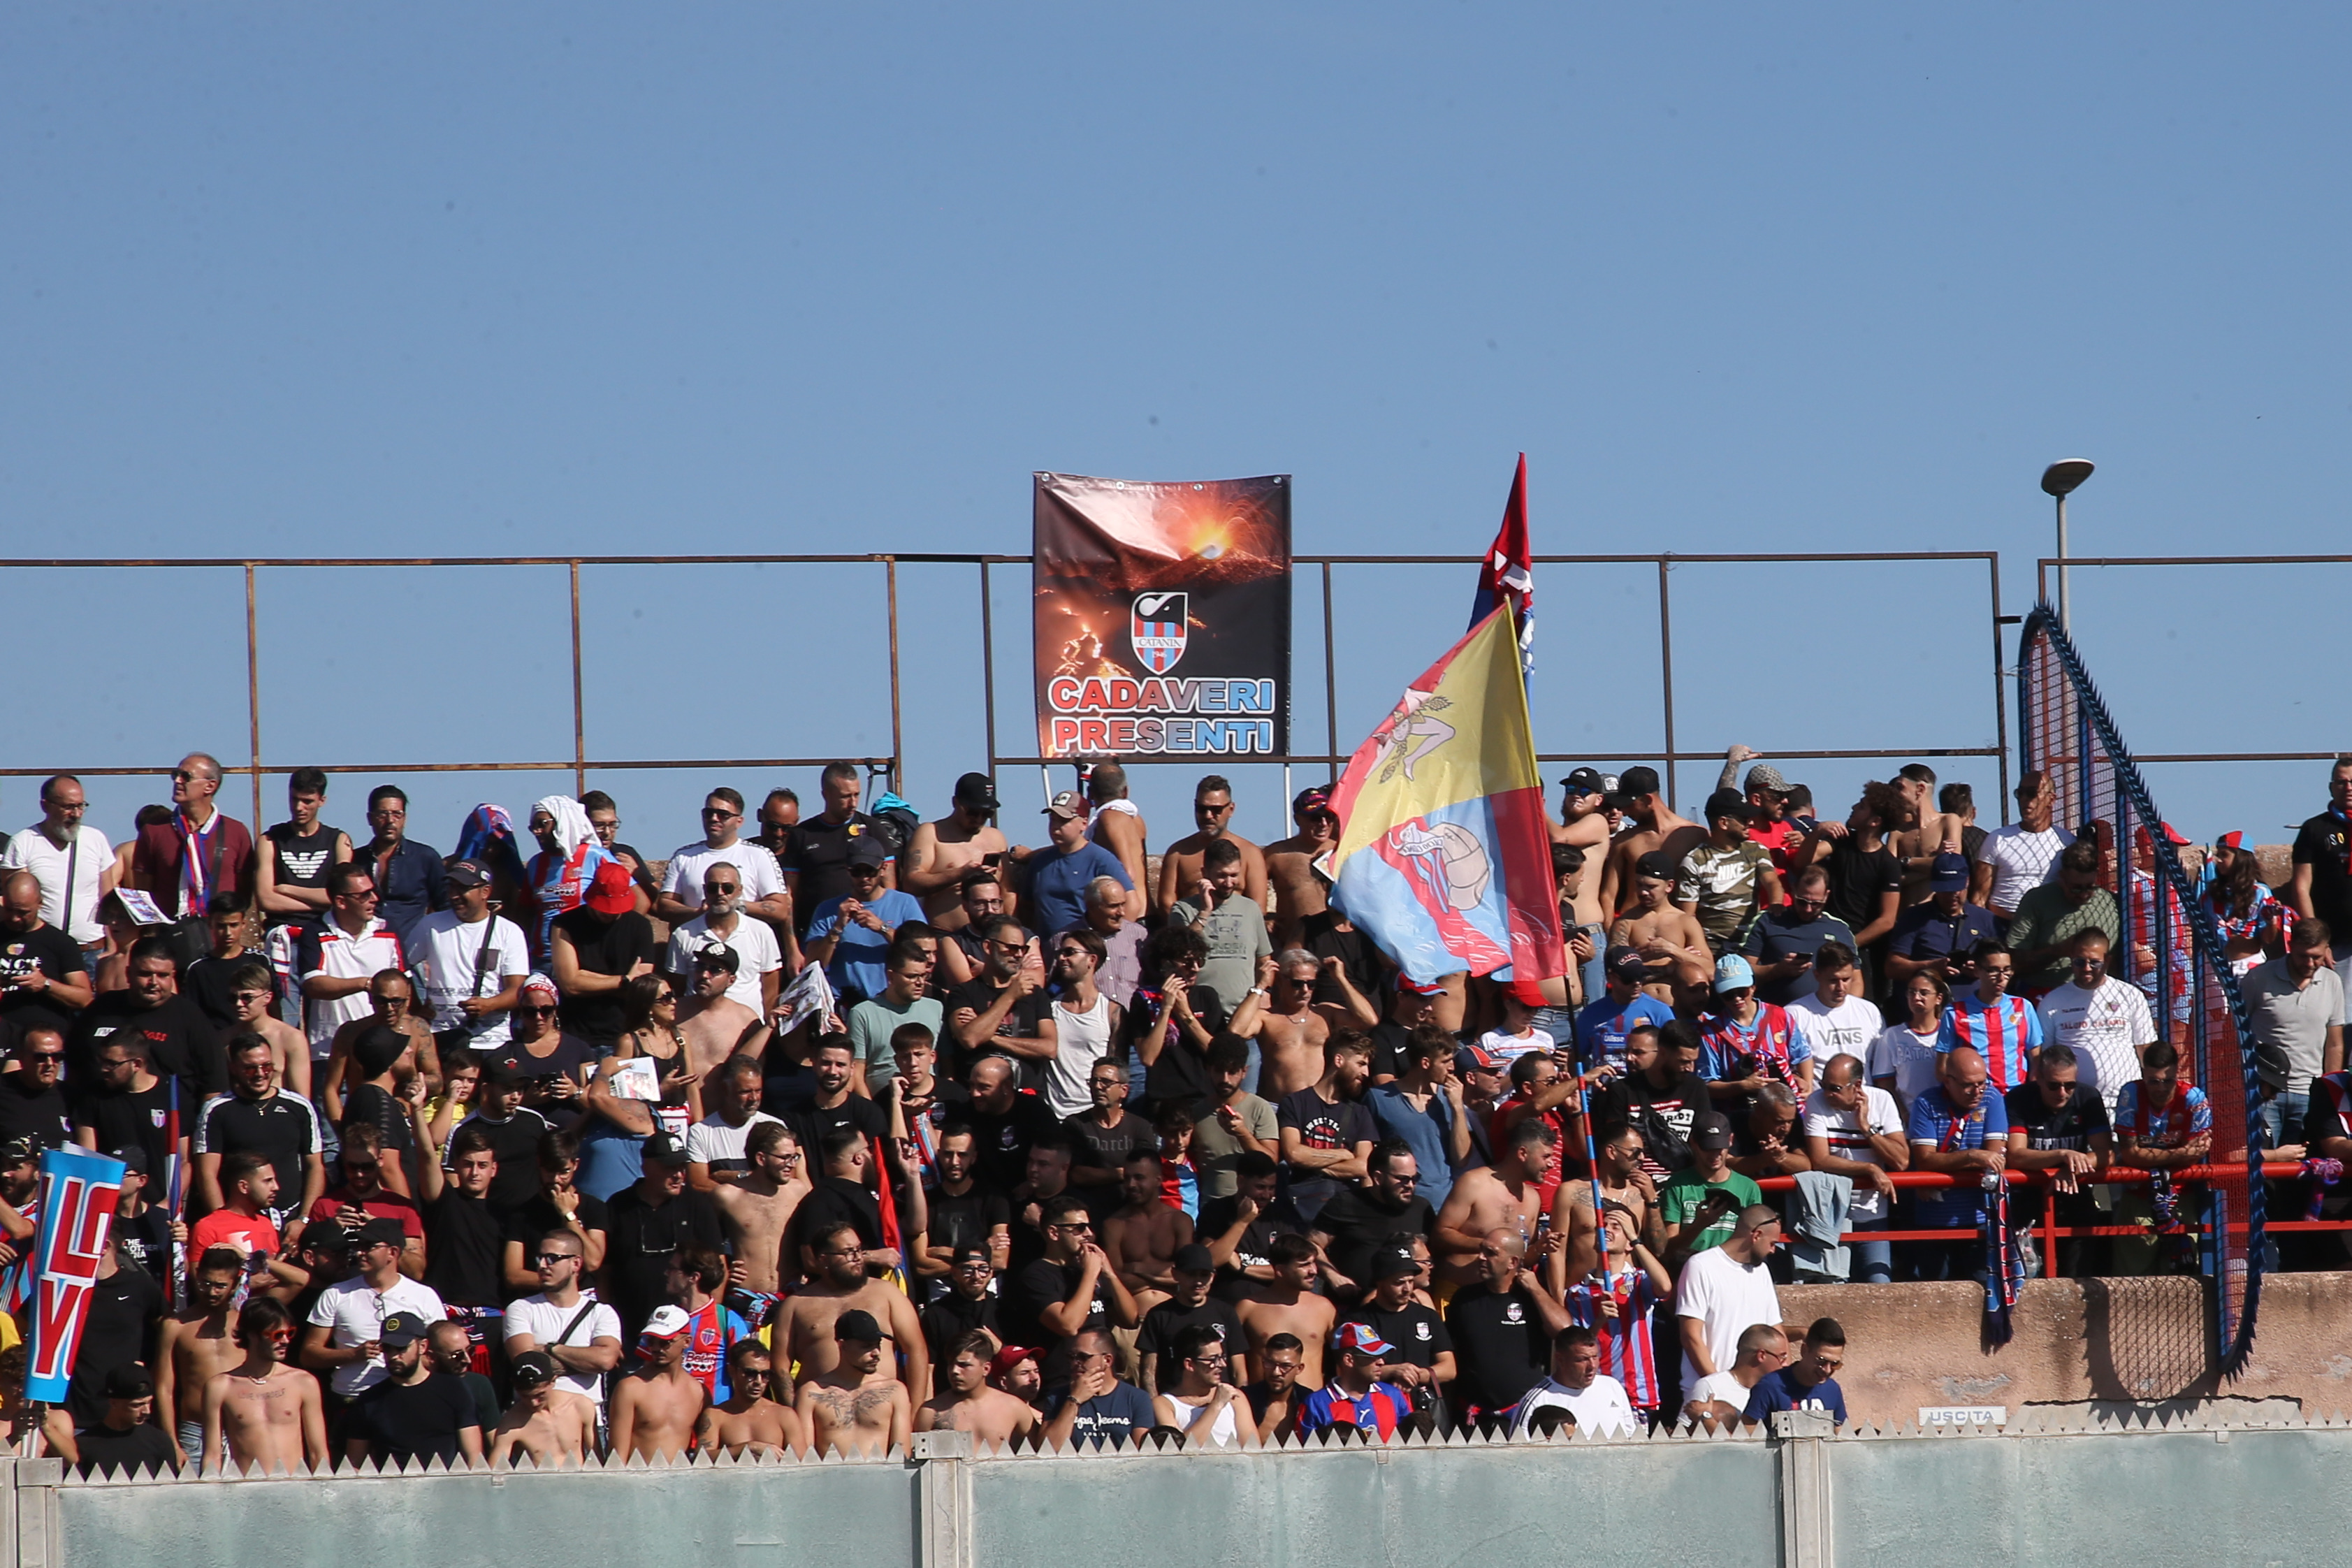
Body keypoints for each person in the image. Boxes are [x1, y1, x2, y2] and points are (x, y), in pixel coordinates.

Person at [774, 1219, 930, 1402]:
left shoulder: (887, 1293)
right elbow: (780, 1367)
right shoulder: (795, 1306)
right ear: (824, 1259)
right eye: (848, 1252)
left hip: (882, 1408)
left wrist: (914, 1410)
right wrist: (793, 1414)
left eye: (858, 1249)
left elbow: (916, 1350)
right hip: (822, 1413)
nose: (857, 1257)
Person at [300, 1217, 447, 1400]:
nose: (360, 1253)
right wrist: (352, 1354)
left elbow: (440, 1351)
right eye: (358, 1246)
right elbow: (309, 1354)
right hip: (354, 1397)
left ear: (392, 1252)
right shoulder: (336, 1293)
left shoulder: (423, 1295)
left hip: (408, 1395)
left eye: (369, 1246)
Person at [602, 1133, 727, 1343]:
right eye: (670, 1167)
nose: (679, 1175)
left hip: (687, 1332)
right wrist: (608, 1330)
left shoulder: (696, 1204)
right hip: (632, 1329)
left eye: (681, 1167)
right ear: (647, 1167)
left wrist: (709, 1320)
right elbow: (605, 1272)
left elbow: (719, 1265)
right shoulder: (619, 1206)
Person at [194, 1033, 326, 1232]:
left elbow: (315, 1167)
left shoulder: (299, 1106)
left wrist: (304, 1219)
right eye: (250, 1068)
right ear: (233, 1069)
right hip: (241, 1221)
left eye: (266, 1066)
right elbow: (207, 1173)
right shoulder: (217, 1110)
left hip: (292, 1220)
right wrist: (225, 1223)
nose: (260, 1074)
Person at [2003, 1042, 2112, 1277]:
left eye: (2069, 1085)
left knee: (2077, 1277)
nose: (2062, 1093)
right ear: (2038, 1078)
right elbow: (2016, 1156)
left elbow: (2106, 1153)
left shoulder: (2087, 1097)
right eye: (2054, 1085)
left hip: (2075, 1196)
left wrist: (2071, 1166)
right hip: (2028, 1203)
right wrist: (2063, 1156)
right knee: (2029, 1278)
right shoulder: (2019, 1099)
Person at [1443, 1228, 1568, 1428]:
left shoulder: (1532, 1298)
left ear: (1513, 1262)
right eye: (1482, 1250)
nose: (1481, 1257)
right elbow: (1450, 1354)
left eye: (1491, 1253)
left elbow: (1564, 1332)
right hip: (1473, 1417)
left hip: (1523, 1415)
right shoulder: (1464, 1299)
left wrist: (1536, 1289)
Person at [2108, 1040, 2214, 1275]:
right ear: (2143, 1073)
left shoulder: (2194, 1099)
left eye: (2168, 1081)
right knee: (2132, 1276)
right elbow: (2129, 1154)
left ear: (2178, 1072)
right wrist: (2177, 1154)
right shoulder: (2131, 1094)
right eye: (2153, 1081)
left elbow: (2197, 1154)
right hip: (2138, 1195)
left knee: (2184, 1274)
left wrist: (2151, 1156)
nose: (2160, 1088)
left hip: (2181, 1196)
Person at [1798, 1054, 1905, 1284]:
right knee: (1832, 1288)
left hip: (1874, 1213)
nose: (1827, 1093)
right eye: (1824, 1086)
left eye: (1835, 1088)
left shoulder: (1882, 1100)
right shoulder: (1816, 1102)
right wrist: (1869, 1168)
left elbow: (1901, 1160)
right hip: (1832, 1214)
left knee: (1879, 1286)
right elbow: (1820, 1160)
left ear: (1857, 1085)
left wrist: (1866, 1127)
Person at [2240, 920, 2346, 1153]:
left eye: (2317, 957)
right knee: (2262, 1168)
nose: (2310, 963)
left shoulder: (2332, 982)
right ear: (2290, 946)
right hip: (2265, 1095)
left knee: (2301, 1175)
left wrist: (2328, 1093)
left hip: (2309, 1095)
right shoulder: (2258, 979)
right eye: (2303, 956)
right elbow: (2234, 1032)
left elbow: (2335, 1044)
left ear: (2327, 948)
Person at [1905, 1045, 2008, 1282]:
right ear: (1947, 1081)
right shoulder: (1926, 1102)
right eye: (1968, 1085)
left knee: (1982, 1293)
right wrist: (1973, 1156)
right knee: (1934, 1296)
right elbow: (1925, 1159)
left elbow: (1994, 1159)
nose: (1978, 1091)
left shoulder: (1993, 1098)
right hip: (1933, 1219)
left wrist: (1945, 1163)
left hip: (1981, 1218)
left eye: (1982, 1082)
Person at [407, 859, 529, 1054]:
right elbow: (400, 967)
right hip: (442, 1038)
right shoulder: (430, 925)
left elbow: (518, 990)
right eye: (451, 887)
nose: (454, 895)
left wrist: (490, 1005)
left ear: (485, 892)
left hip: (492, 1042)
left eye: (463, 888)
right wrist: (414, 1006)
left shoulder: (509, 932)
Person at [198, 1296, 328, 1474]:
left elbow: (318, 1452)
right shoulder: (221, 1387)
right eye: (277, 1335)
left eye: (289, 1333)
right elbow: (212, 1455)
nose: (286, 1341)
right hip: (246, 1490)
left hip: (294, 1487)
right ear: (253, 1336)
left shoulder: (303, 1382)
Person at [2035, 929, 2156, 1117]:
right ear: (2072, 959)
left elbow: (2146, 1050)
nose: (2087, 968)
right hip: (2074, 1105)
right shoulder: (2053, 1001)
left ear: (2107, 960)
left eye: (2095, 962)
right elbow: (2043, 1057)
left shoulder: (2130, 995)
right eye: (2079, 962)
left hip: (2125, 1103)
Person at [342, 1310, 484, 1467]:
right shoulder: (369, 1400)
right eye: (387, 1348)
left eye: (401, 1348)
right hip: (392, 1488)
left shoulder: (453, 1389)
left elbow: (473, 1457)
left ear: (422, 1346)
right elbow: (354, 1465)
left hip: (445, 1486)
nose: (394, 1356)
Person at [502, 1227, 623, 1407]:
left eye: (552, 1259)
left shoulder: (602, 1312)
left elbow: (605, 1360)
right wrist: (585, 1360)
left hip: (586, 1421)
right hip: (535, 1418)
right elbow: (526, 1363)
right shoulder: (521, 1308)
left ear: (576, 1264)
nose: (542, 1265)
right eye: (540, 1258)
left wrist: (551, 1349)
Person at [546, 860, 656, 1056]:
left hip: (628, 1037)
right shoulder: (565, 924)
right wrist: (623, 981)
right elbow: (570, 985)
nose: (609, 914)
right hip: (578, 1037)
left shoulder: (640, 927)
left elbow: (642, 989)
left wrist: (586, 977)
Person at [1674, 1203, 1784, 1397]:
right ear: (1756, 1235)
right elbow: (1691, 1337)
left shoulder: (1762, 1272)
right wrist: (1721, 1388)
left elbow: (1776, 1332)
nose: (1773, 1251)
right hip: (1707, 1396)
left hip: (1756, 1396)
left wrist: (1783, 1386)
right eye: (1772, 1243)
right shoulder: (1701, 1266)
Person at [130, 753, 255, 919]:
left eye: (186, 777)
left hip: (220, 934)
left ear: (210, 786)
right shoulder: (154, 831)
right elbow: (143, 891)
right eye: (175, 775)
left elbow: (245, 889)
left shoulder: (236, 831)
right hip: (170, 933)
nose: (177, 781)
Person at [711, 1121, 811, 1319]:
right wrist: (724, 1270)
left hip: (791, 1295)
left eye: (794, 1157)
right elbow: (706, 1245)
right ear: (761, 1158)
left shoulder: (800, 1191)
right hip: (744, 1298)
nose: (792, 1164)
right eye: (784, 1158)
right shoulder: (727, 1196)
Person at [3, 774, 116, 952]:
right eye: (68, 807)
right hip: (44, 950)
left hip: (92, 950)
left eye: (81, 806)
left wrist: (112, 947)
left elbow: (109, 899)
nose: (77, 814)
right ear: (46, 805)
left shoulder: (96, 839)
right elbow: (15, 903)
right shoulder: (24, 842)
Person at [157, 1250, 247, 1467]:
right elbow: (163, 1388)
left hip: (242, 1428)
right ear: (197, 1276)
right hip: (196, 1432)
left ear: (235, 1284)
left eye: (220, 1286)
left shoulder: (247, 1323)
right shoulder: (175, 1326)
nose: (212, 1292)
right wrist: (172, 1443)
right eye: (206, 1283)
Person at [1363, 1029, 1470, 1210]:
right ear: (1425, 1063)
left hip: (1443, 1205)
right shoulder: (1378, 1099)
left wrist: (1457, 1107)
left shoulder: (1449, 1098)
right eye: (1445, 1061)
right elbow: (1366, 1154)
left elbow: (1461, 1158)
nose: (1452, 1067)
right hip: (1397, 1203)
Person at [657, 787, 794, 928]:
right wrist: (698, 913)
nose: (714, 819)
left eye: (723, 815)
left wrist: (737, 905)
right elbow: (665, 905)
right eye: (709, 813)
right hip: (695, 942)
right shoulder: (684, 857)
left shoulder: (759, 855)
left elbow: (781, 910)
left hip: (744, 944)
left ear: (739, 821)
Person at [1168, 838, 1273, 1018]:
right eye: (1222, 875)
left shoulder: (1250, 909)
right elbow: (1180, 952)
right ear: (1205, 873)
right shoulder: (1183, 909)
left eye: (1234, 875)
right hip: (1200, 1014)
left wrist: (1264, 991)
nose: (1229, 883)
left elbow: (1265, 961)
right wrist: (1205, 911)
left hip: (1244, 1016)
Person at [1276, 1033, 1374, 1224]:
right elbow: (1294, 1154)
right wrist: (1343, 1154)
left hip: (1343, 1212)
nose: (1367, 1073)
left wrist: (1311, 1163)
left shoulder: (1360, 1113)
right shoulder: (1295, 1103)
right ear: (1339, 1060)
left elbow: (1363, 1167)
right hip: (1299, 1208)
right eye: (1361, 1064)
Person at [783, 763, 892, 934]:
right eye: (845, 797)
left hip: (867, 929)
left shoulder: (873, 828)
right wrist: (792, 945)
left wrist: (885, 927)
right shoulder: (802, 834)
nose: (853, 803)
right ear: (826, 795)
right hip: (818, 930)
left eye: (857, 795)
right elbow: (790, 897)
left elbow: (890, 887)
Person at [666, 865, 784, 1019]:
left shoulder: (761, 931)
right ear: (705, 890)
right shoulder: (683, 934)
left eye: (728, 888)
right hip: (698, 1027)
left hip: (748, 1027)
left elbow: (770, 988)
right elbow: (677, 988)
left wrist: (767, 1027)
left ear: (739, 890)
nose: (720, 893)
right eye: (713, 887)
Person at [2008, 841, 2121, 999]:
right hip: (2048, 991)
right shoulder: (2037, 900)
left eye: (2090, 887)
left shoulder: (2111, 902)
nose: (2083, 895)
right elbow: (2015, 960)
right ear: (2062, 877)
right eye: (2076, 888)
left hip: (2099, 993)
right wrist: (2059, 950)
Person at [899, 774, 1012, 929]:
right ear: (955, 803)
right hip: (945, 935)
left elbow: (1008, 892)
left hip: (991, 939)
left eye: (986, 814)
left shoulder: (996, 838)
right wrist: (960, 874)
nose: (979, 819)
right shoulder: (931, 833)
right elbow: (911, 884)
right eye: (972, 812)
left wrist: (1009, 931)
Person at [1676, 790, 1781, 957]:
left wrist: (1776, 905)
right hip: (1711, 948)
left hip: (1752, 946)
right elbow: (1687, 915)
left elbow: (1772, 881)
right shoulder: (1695, 860)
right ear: (1723, 823)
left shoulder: (1756, 850)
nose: (1751, 824)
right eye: (1744, 820)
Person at [1738, 866, 1858, 1010]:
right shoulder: (1769, 921)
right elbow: (1743, 973)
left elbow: (1855, 978)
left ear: (1826, 896)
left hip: (1827, 1019)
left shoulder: (1840, 929)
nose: (1808, 909)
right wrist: (1778, 970)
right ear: (1794, 890)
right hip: (1778, 1015)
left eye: (1816, 904)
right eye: (1802, 901)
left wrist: (1845, 1012)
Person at [1699, 954, 1807, 1110]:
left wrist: (1806, 1084)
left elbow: (1803, 1055)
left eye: (1742, 991)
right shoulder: (1710, 1033)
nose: (1737, 999)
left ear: (1753, 987)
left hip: (1784, 1110)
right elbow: (1707, 1085)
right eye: (1728, 994)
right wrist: (1743, 1086)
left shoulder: (1780, 1016)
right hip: (1738, 1113)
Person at [1596, 767, 1704, 924]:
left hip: (1675, 929)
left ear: (1647, 800)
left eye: (1629, 804)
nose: (1624, 812)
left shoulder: (1694, 835)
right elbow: (1608, 896)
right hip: (1632, 929)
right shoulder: (1624, 840)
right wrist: (1612, 938)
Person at [611, 1305, 718, 1462]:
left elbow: (704, 1452)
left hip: (681, 1481)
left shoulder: (699, 1392)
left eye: (665, 1342)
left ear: (687, 1342)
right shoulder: (630, 1388)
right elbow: (616, 1458)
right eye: (651, 1341)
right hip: (638, 1481)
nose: (655, 1348)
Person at [1152, 776, 1268, 918]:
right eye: (1202, 809)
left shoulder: (1250, 853)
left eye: (1216, 810)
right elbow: (1166, 905)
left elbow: (1258, 908)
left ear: (1231, 809)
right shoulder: (1178, 853)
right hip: (1191, 933)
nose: (1208, 816)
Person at [1658, 1110, 1764, 1263]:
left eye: (1719, 1148)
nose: (1715, 1155)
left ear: (1731, 1141)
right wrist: (1699, 1225)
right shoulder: (1677, 1185)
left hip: (1731, 1271)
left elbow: (1755, 1243)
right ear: (1693, 1143)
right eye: (1708, 1148)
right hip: (1688, 1268)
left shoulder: (1749, 1188)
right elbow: (1668, 1250)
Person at [1233, 1233, 1335, 1391]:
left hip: (1309, 1406)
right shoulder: (1249, 1307)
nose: (1314, 1271)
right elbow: (1231, 1356)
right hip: (1260, 1404)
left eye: (1314, 1263)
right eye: (1304, 1265)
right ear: (1280, 1270)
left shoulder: (1325, 1308)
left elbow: (1343, 1359)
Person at [1885, 853, 2001, 992]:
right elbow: (1893, 968)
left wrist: (1981, 970)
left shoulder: (1986, 919)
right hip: (1928, 1003)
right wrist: (1931, 967)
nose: (1952, 895)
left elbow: (2005, 967)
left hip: (1974, 1005)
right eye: (1945, 890)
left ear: (1967, 881)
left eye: (1957, 889)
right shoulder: (1914, 917)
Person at [846, 943, 946, 1099]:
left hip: (930, 1102)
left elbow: (946, 1064)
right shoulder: (863, 1013)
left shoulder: (936, 1008)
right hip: (883, 1104)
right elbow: (856, 1072)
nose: (920, 983)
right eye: (912, 976)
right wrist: (873, 1114)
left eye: (923, 975)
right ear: (891, 976)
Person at [354, 787, 447, 950]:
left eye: (397, 814)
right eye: (383, 814)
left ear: (404, 819)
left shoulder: (425, 857)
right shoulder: (355, 860)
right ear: (370, 818)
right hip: (365, 951)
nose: (390, 821)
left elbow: (445, 907)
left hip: (413, 953)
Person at [1610, 850, 1712, 996]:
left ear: (1669, 886)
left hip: (1677, 1011)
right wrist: (1670, 968)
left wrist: (1671, 950)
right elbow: (1616, 970)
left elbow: (1710, 971)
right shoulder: (1626, 922)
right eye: (1639, 885)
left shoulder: (1685, 922)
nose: (1643, 892)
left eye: (1651, 887)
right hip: (1638, 1006)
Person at [1043, 929, 1119, 1119]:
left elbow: (1117, 1068)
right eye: (1060, 953)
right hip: (1055, 1115)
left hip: (1093, 1116)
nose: (1061, 958)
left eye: (1069, 952)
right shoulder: (1049, 1009)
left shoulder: (1111, 1011)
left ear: (1091, 960)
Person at [1513, 1324, 1637, 1437]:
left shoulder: (1612, 1386)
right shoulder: (1537, 1400)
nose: (1592, 1366)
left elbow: (1632, 1437)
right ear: (1560, 1360)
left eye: (1595, 1357)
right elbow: (1518, 1450)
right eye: (1582, 1359)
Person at [1572, 948, 1677, 1075]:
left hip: (1646, 1091)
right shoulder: (1591, 1014)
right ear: (1610, 978)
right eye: (1629, 978)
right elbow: (1576, 1058)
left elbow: (1674, 1056)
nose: (1637, 983)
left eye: (1641, 976)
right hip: (1605, 1090)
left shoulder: (1660, 1011)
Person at [488, 1349, 601, 1467]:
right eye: (525, 1396)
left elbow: (598, 1459)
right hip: (538, 1484)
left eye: (539, 1395)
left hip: (578, 1482)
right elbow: (493, 1472)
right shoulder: (511, 1423)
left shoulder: (580, 1406)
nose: (534, 1402)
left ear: (553, 1381)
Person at [1786, 942, 1880, 1079]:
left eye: (1846, 979)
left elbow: (1880, 1063)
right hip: (1817, 1097)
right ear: (1817, 975)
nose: (1841, 987)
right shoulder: (1795, 1014)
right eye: (1833, 980)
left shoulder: (1869, 1011)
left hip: (1865, 1096)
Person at [1263, 787, 1340, 950]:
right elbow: (1248, 889)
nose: (1324, 824)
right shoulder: (1276, 854)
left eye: (1329, 816)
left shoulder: (1343, 851)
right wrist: (1264, 917)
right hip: (1295, 945)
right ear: (1297, 819)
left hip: (1337, 943)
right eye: (1316, 818)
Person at [71, 1363, 180, 1477]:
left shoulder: (160, 1442)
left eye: (149, 1402)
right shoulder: (85, 1445)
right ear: (113, 1403)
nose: (147, 1411)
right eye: (137, 1405)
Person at [1683, 1321, 1788, 1430]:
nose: (1785, 1364)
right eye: (1781, 1357)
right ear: (1761, 1356)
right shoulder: (1709, 1386)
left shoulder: (1776, 1392)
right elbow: (1682, 1434)